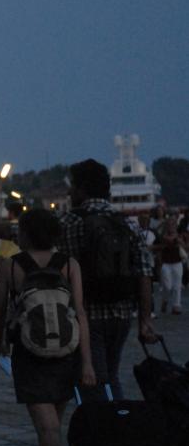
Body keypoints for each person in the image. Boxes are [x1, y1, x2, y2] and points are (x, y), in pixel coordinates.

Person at [0, 209, 95, 446]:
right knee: (51, 427)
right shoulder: (69, 264)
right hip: (66, 354)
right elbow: (79, 313)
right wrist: (87, 363)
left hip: (30, 355)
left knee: (48, 430)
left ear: (25, 234)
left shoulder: (11, 266)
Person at [57, 159, 157, 399]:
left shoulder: (70, 222)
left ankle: (106, 420)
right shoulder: (126, 223)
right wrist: (144, 319)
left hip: (86, 313)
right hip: (122, 312)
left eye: (72, 187)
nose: (69, 192)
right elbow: (144, 272)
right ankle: (117, 416)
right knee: (111, 374)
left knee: (93, 379)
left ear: (81, 189)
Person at [157, 216, 184, 315]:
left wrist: (180, 242)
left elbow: (185, 246)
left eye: (173, 224)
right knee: (167, 285)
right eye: (169, 224)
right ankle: (165, 300)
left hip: (177, 262)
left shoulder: (179, 235)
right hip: (166, 263)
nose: (171, 226)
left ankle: (176, 305)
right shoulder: (162, 235)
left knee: (177, 285)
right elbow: (158, 244)